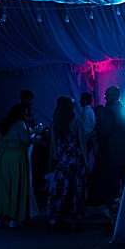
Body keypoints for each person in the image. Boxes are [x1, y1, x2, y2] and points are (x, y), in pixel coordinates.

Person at [86, 85, 125, 207]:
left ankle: (115, 213)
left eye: (107, 95)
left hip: (112, 154)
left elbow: (104, 131)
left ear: (115, 95)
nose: (105, 98)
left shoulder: (109, 110)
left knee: (112, 186)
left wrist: (97, 129)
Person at [0, 103, 33, 228]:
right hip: (16, 158)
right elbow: (26, 141)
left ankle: (0, 217)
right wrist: (34, 134)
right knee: (15, 186)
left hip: (2, 157)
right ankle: (13, 217)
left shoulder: (4, 124)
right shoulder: (19, 124)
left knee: (3, 187)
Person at [46, 95, 88, 231]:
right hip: (75, 161)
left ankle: (54, 218)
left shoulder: (55, 124)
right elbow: (82, 144)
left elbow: (52, 146)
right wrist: (87, 164)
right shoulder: (77, 122)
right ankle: (75, 219)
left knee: (58, 190)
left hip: (61, 161)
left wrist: (51, 163)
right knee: (76, 190)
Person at [78, 91, 96, 173]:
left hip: (86, 141)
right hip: (89, 140)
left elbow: (85, 129)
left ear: (85, 100)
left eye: (81, 99)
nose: (79, 101)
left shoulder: (86, 112)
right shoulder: (90, 111)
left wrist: (83, 139)